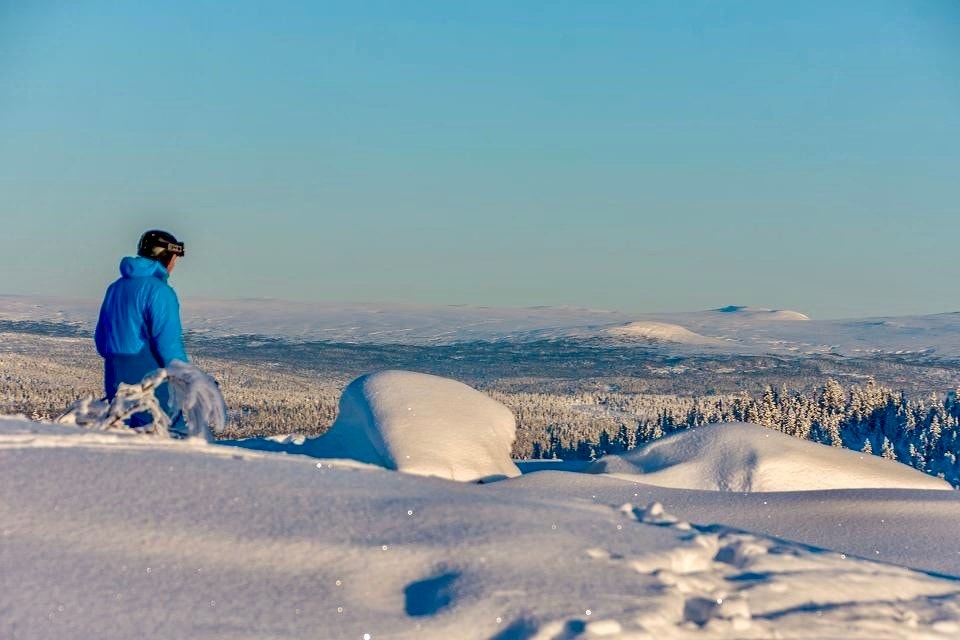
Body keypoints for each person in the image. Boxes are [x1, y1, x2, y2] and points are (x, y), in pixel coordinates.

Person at [95, 230, 188, 435]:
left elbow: (101, 341)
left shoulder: (115, 288)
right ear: (166, 255)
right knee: (168, 437)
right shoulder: (160, 291)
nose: (174, 264)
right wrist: (187, 376)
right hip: (151, 379)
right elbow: (168, 344)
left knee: (123, 437)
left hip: (114, 376)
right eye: (174, 258)